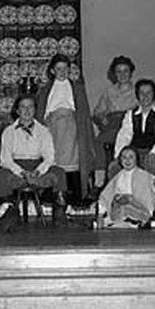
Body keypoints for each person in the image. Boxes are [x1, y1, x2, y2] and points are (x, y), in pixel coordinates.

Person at [35, 53, 98, 204]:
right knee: (53, 159)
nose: (62, 72)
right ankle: (52, 196)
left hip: (72, 128)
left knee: (73, 160)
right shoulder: (45, 90)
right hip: (52, 128)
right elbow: (42, 112)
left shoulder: (77, 88)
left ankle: (74, 196)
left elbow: (83, 113)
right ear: (52, 71)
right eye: (58, 69)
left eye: (65, 69)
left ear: (69, 70)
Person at [0, 94, 69, 224]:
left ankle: (59, 213)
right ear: (17, 110)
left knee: (59, 172)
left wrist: (38, 171)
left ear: (35, 110)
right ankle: (8, 214)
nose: (26, 110)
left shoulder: (44, 131)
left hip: (38, 168)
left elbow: (50, 157)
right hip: (17, 170)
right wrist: (22, 172)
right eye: (23, 107)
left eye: (30, 106)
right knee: (2, 175)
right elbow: (5, 159)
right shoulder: (8, 132)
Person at [110, 78, 155, 177]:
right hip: (134, 151)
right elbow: (124, 135)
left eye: (148, 92)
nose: (145, 96)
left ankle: (150, 191)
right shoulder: (130, 114)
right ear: (137, 95)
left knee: (151, 164)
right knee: (114, 167)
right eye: (141, 93)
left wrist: (153, 153)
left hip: (154, 152)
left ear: (154, 94)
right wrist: (120, 154)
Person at [92, 56, 139, 179]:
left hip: (131, 126)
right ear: (114, 74)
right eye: (119, 71)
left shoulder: (137, 91)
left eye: (125, 71)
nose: (122, 74)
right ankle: (100, 179)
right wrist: (102, 117)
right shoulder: (109, 92)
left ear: (131, 73)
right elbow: (98, 112)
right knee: (98, 142)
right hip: (112, 125)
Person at [97, 146, 155, 228]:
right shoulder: (118, 176)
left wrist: (130, 200)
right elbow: (106, 195)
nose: (127, 160)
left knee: (128, 207)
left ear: (136, 159)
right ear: (120, 160)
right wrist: (100, 214)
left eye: (131, 157)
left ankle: (134, 220)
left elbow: (148, 196)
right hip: (120, 207)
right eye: (124, 157)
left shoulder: (143, 175)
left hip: (139, 208)